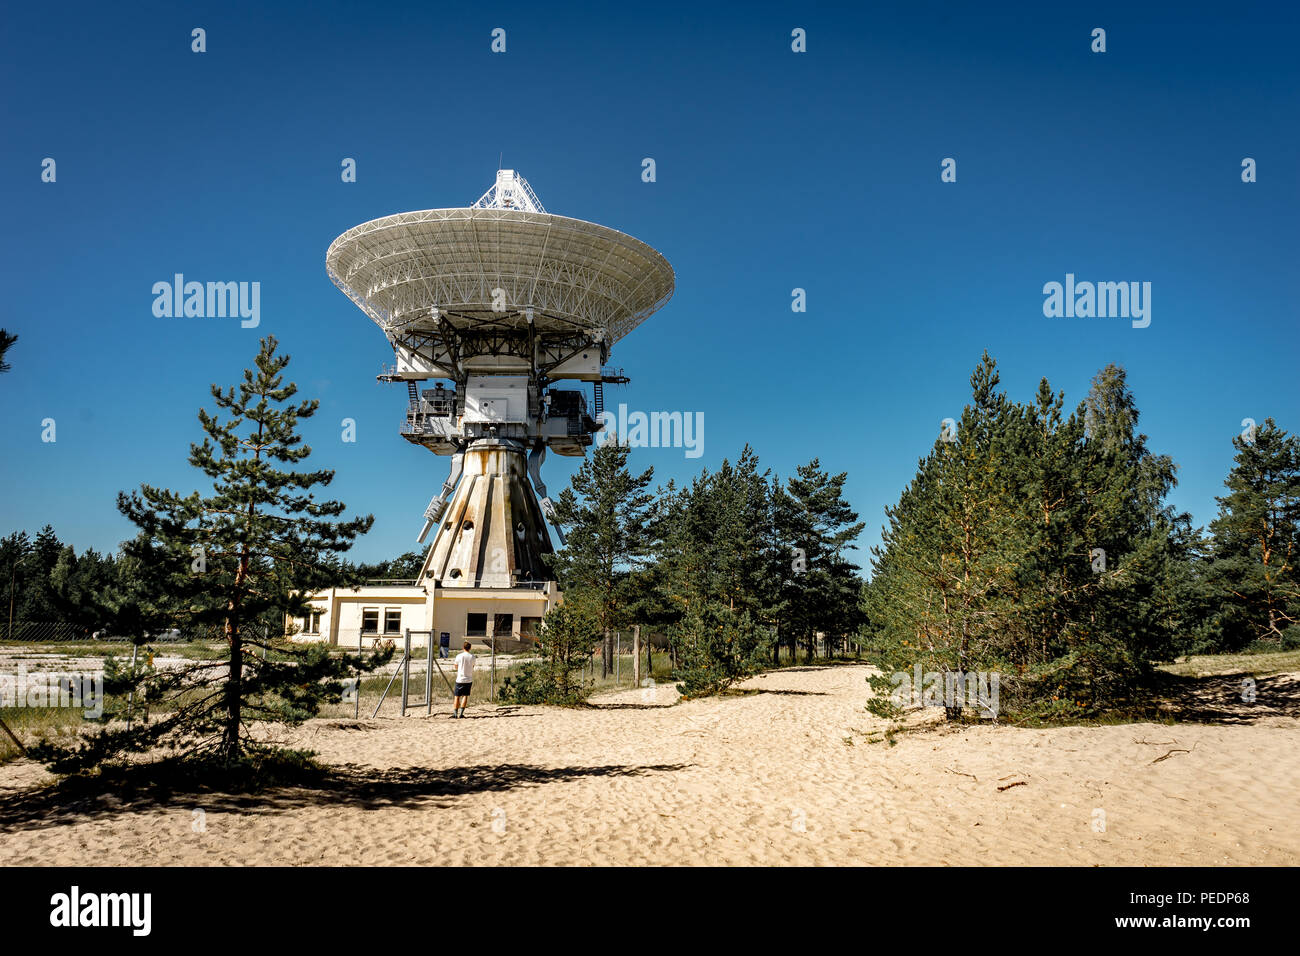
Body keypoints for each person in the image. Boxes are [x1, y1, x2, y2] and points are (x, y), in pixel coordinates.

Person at [452, 641, 475, 718]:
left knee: (457, 696)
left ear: (463, 647)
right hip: (468, 679)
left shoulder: (459, 656)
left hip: (460, 679)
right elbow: (473, 666)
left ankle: (455, 714)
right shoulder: (472, 656)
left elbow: (456, 666)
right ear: (470, 648)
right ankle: (461, 713)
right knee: (465, 696)